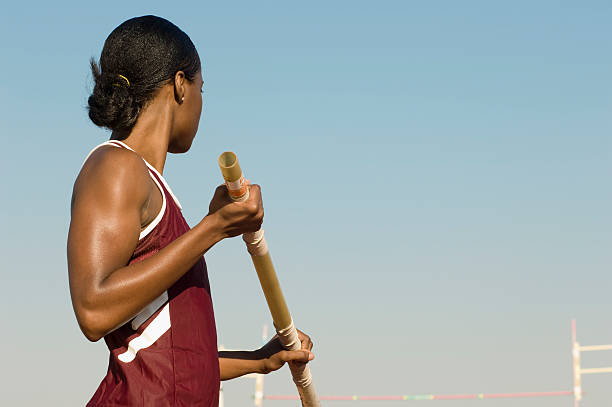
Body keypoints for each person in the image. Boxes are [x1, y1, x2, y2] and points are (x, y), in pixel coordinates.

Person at [67, 15, 314, 407]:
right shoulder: (116, 166)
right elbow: (93, 310)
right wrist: (213, 229)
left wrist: (259, 361)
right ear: (180, 85)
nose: (202, 102)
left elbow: (175, 358)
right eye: (202, 87)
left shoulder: (157, 191)